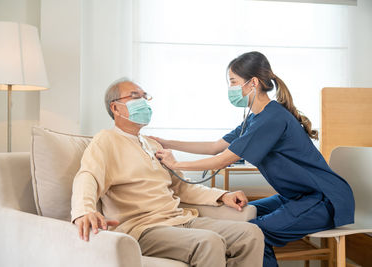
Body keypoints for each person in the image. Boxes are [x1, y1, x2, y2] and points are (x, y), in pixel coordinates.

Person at [154, 51, 355, 267]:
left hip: (323, 200)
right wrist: (167, 142)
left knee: (254, 232)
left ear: (253, 83)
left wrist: (175, 164)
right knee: (242, 218)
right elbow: (215, 147)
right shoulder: (255, 118)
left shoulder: (271, 118)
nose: (230, 88)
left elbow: (221, 160)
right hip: (296, 196)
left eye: (233, 82)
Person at [71, 78, 265, 267]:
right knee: (208, 242)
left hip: (179, 219)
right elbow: (88, 176)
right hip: (143, 228)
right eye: (134, 96)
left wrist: (223, 195)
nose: (143, 102)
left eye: (144, 96)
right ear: (115, 108)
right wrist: (84, 211)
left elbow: (182, 187)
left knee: (251, 234)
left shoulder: (153, 144)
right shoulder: (106, 140)